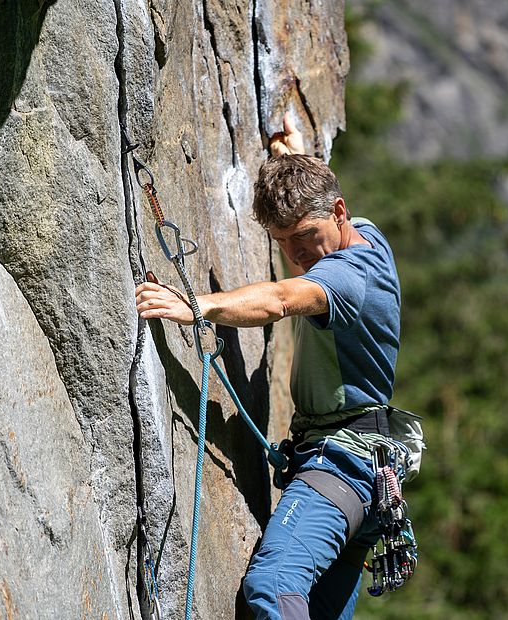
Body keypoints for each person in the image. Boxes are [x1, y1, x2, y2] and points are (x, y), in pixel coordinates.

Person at [135, 113, 402, 619]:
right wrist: (296, 159)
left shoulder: (344, 280)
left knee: (273, 583)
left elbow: (280, 299)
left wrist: (200, 305)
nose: (297, 252)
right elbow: (319, 211)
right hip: (364, 473)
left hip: (340, 467)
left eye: (304, 235)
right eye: (282, 241)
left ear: (337, 212)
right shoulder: (366, 235)